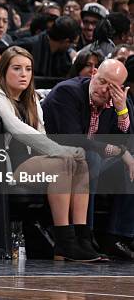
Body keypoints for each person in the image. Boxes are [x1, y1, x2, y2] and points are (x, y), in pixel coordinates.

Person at [0, 47, 101, 262]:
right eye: (17, 68)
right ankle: (64, 240)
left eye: (28, 69)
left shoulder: (31, 97)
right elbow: (17, 129)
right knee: (63, 163)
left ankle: (82, 237)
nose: (24, 74)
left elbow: (41, 133)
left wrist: (63, 153)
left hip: (32, 161)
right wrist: (61, 151)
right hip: (4, 167)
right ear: (4, 70)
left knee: (81, 163)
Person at [42, 60, 134, 260]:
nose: (103, 90)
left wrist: (122, 111)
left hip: (90, 158)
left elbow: (124, 141)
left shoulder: (117, 103)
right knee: (89, 157)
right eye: (101, 81)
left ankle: (119, 235)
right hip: (55, 156)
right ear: (93, 73)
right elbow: (73, 138)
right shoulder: (67, 92)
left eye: (111, 87)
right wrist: (118, 151)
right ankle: (83, 235)